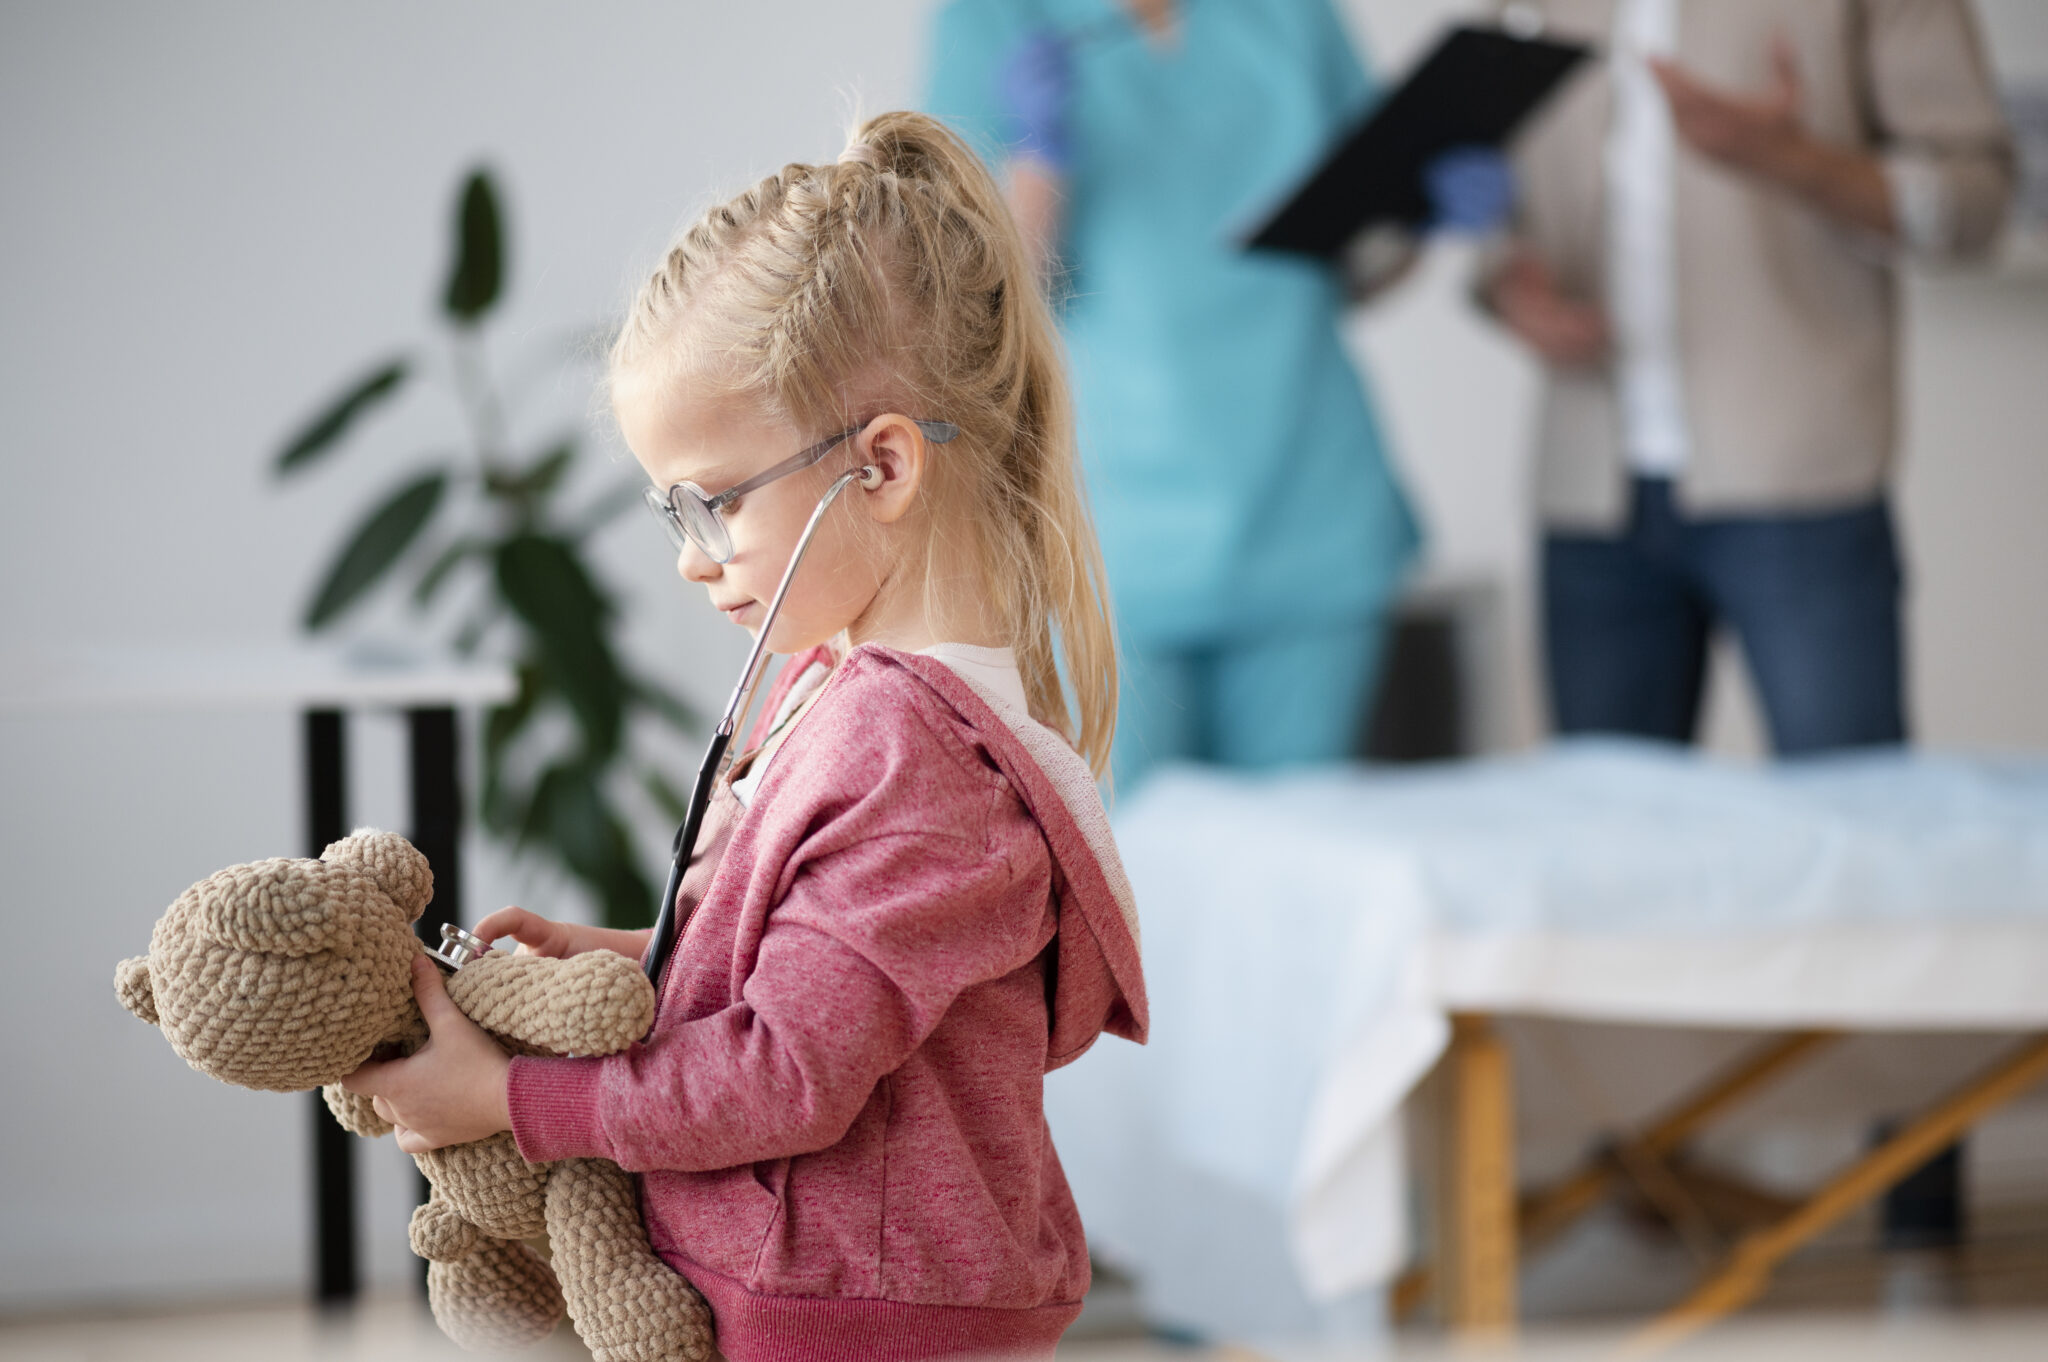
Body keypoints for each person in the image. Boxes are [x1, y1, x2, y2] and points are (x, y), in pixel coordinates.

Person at [344, 111, 1148, 1362]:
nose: (688, 556)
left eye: (712, 503)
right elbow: (801, 977)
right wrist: (635, 952)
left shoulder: (909, 755)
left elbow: (781, 1076)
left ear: (879, 468)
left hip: (861, 1313)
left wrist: (508, 1099)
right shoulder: (839, 686)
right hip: (831, 1285)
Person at [925, 0, 1446, 787]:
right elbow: (967, 316)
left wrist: (1422, 208)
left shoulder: (1291, 14)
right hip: (1114, 541)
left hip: (1307, 506)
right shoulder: (993, 20)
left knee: (1298, 862)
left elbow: (1364, 263)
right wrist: (1035, 164)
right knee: (1130, 877)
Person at [1480, 0, 2012, 754]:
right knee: (1606, 840)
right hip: (1587, 489)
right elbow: (1488, 187)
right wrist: (1507, 286)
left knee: (1855, 821)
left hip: (1798, 475)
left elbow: (1979, 200)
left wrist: (1797, 162)